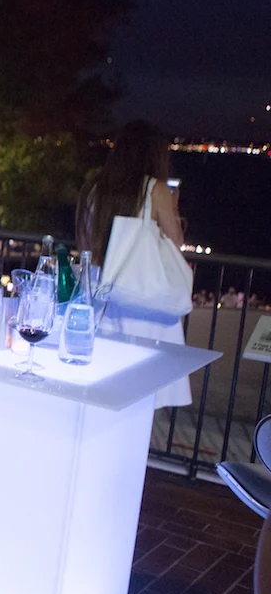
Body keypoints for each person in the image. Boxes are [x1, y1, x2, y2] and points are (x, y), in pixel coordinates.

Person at [77, 120, 190, 408]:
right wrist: (173, 207)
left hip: (102, 292)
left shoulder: (97, 188)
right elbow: (175, 241)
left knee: (104, 384)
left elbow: (88, 242)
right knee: (145, 390)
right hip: (142, 298)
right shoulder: (155, 189)